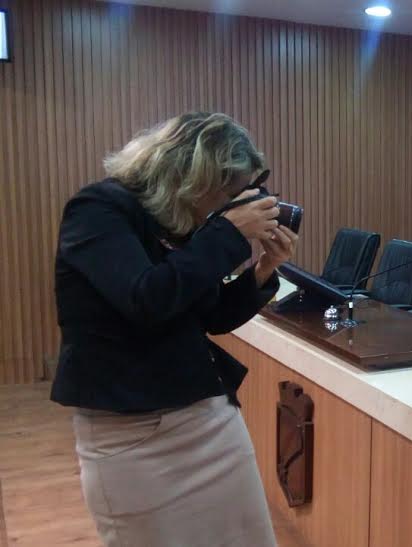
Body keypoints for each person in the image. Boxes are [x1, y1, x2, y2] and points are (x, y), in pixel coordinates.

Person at [51, 112, 296, 546]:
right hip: (131, 433)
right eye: (229, 194)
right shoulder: (99, 210)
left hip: (208, 420)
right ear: (193, 176)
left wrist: (262, 269)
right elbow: (146, 299)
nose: (229, 207)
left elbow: (211, 318)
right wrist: (225, 234)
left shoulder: (181, 226)